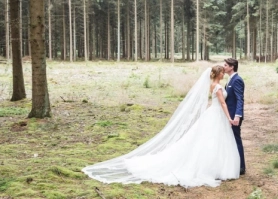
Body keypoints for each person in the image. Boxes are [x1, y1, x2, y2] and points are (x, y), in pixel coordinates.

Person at [82, 65, 240, 187]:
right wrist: (229, 118)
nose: (223, 73)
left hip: (212, 114)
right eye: (222, 72)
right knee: (212, 141)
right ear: (219, 74)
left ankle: (215, 167)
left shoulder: (213, 85)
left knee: (209, 141)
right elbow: (223, 104)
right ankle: (213, 168)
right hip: (217, 114)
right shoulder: (218, 87)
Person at [223, 57, 246, 175]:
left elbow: (239, 99)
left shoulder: (237, 80)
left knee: (236, 140)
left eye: (226, 65)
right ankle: (234, 163)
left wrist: (237, 116)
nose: (224, 67)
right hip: (229, 115)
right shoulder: (230, 79)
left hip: (234, 116)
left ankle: (241, 166)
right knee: (231, 140)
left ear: (232, 67)